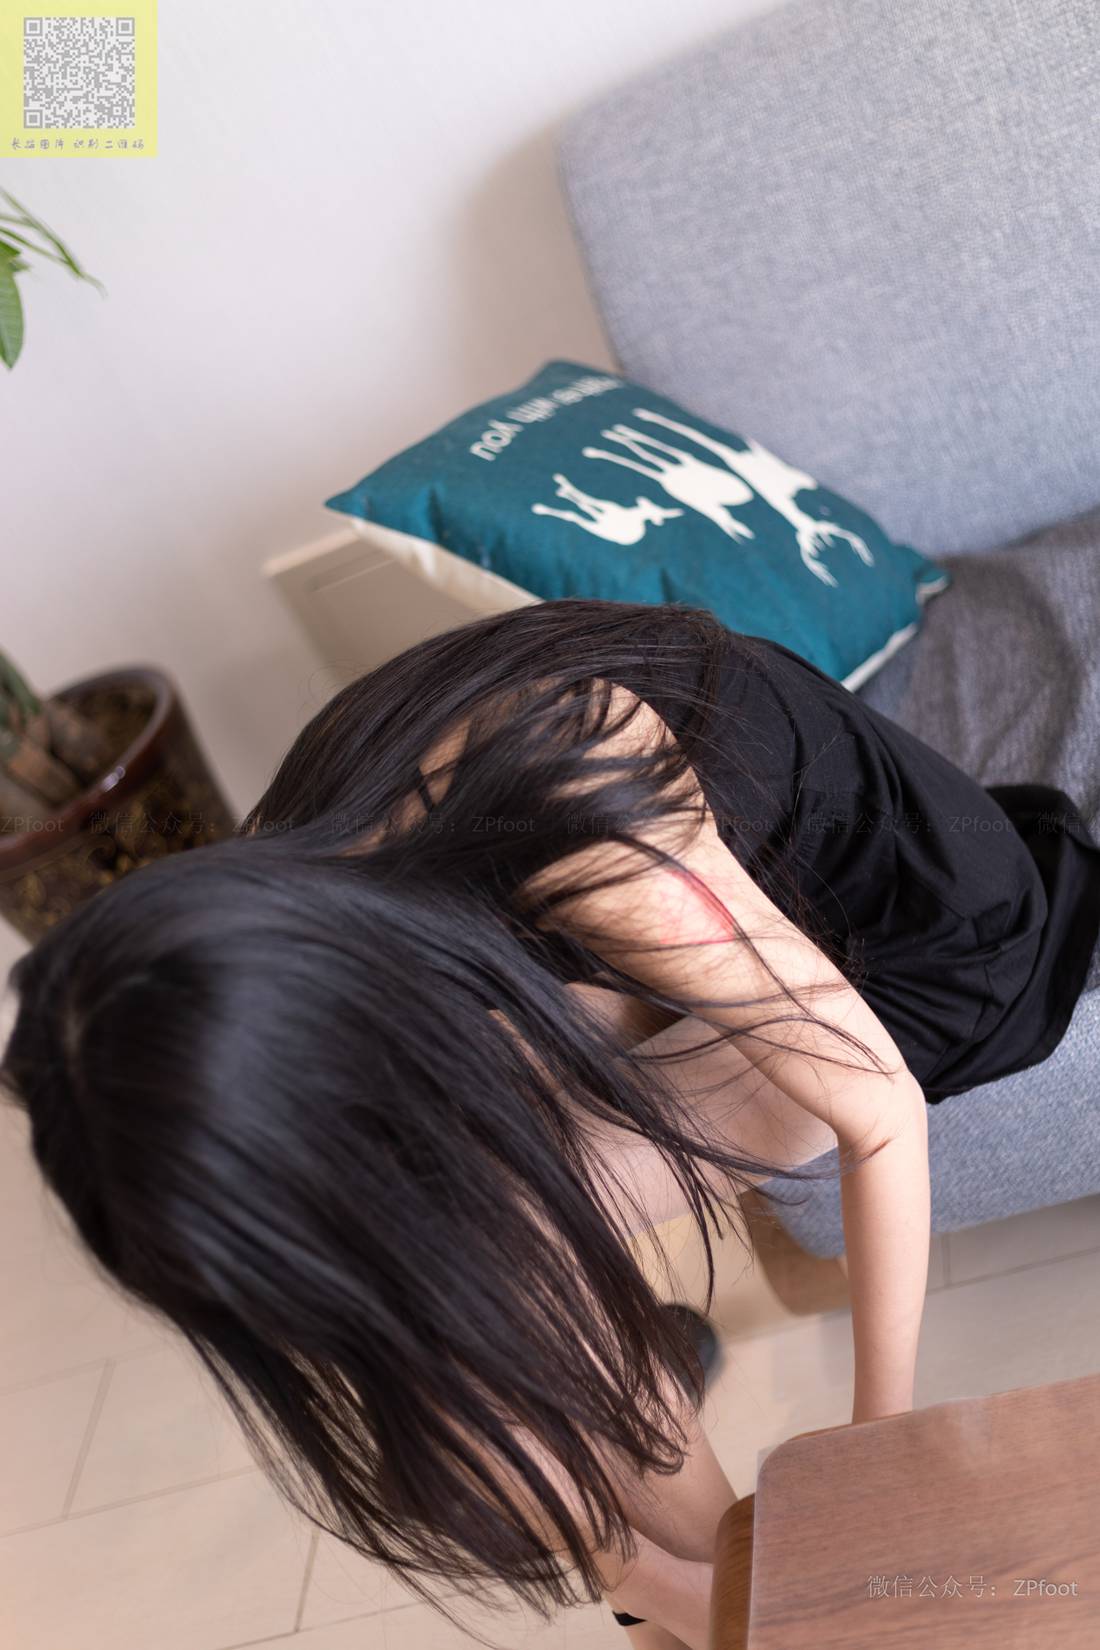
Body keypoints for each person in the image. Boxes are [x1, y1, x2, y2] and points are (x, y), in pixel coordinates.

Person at [4, 598, 1099, 1650]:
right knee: (455, 1279)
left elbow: (876, 1109)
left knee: (505, 1248)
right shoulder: (287, 909)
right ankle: (699, 1596)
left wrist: (873, 1459)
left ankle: (718, 1599)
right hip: (690, 934)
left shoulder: (571, 792)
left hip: (920, 951)